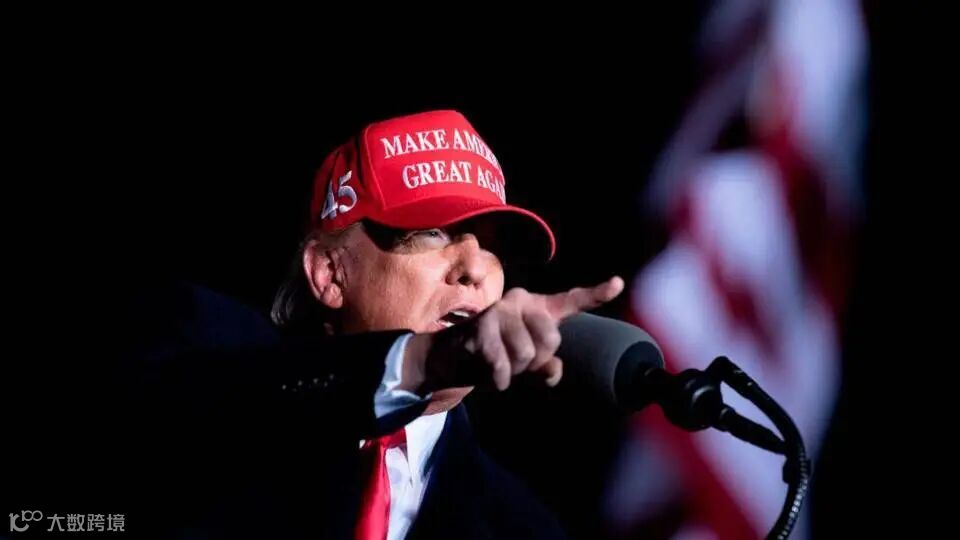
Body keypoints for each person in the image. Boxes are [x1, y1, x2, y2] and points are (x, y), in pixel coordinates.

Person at [11, 109, 624, 539]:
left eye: (492, 246)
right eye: (432, 233)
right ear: (330, 272)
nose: (476, 269)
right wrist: (423, 360)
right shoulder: (199, 349)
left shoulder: (525, 526)